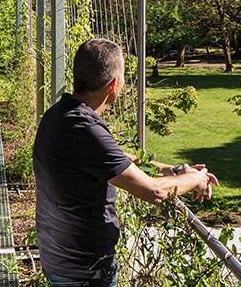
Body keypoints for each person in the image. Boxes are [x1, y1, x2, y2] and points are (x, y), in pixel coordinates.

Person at [33, 38, 219, 287]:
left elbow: (115, 159)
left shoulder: (59, 115)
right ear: (114, 84)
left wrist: (171, 170)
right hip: (83, 272)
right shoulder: (84, 129)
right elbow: (154, 191)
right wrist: (196, 178)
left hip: (61, 259)